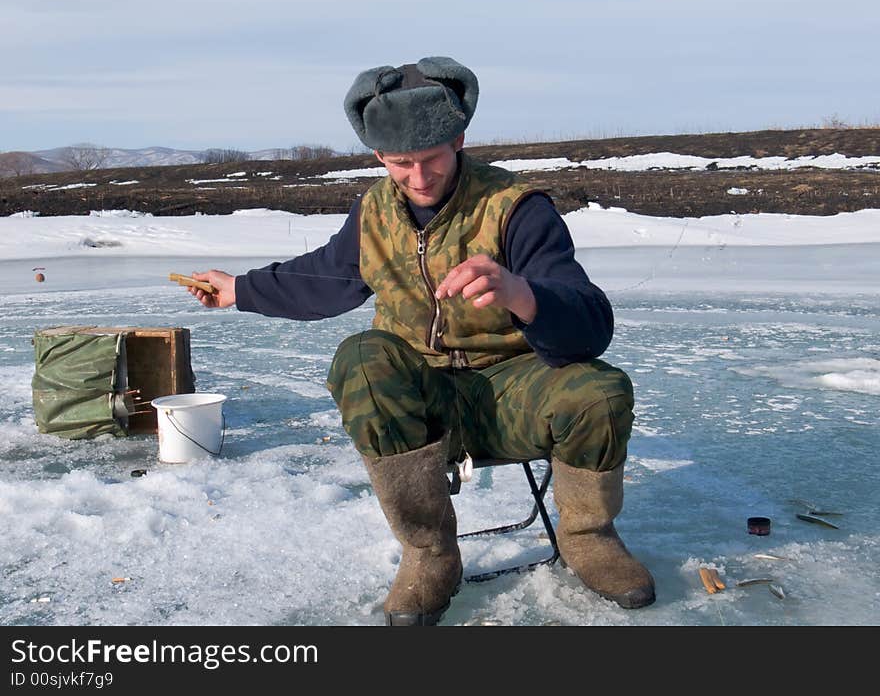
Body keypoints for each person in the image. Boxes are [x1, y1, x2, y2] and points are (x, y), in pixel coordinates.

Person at [186, 56, 655, 625]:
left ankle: (589, 537)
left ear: (458, 139)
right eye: (400, 163)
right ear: (379, 156)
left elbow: (589, 325)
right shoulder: (373, 211)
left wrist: (518, 292)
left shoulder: (517, 209)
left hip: (514, 391)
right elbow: (327, 280)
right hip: (420, 396)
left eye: (430, 159)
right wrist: (240, 289)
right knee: (361, 358)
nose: (417, 177)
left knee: (599, 391)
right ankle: (428, 554)